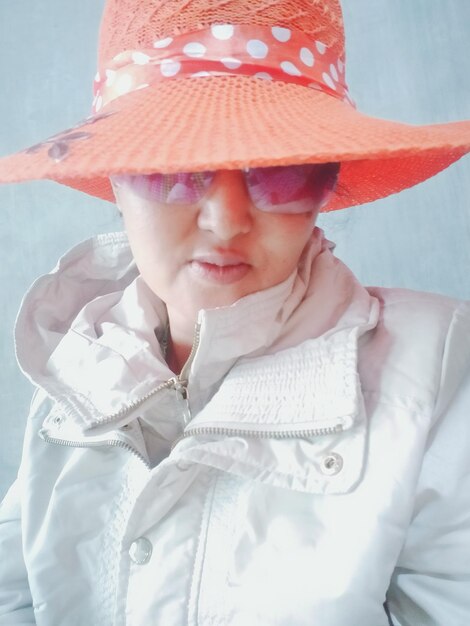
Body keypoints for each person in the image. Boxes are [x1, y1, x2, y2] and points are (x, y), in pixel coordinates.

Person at [0, 0, 469, 624]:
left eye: (279, 172)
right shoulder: (75, 359)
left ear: (326, 184)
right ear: (113, 177)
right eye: (173, 165)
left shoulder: (438, 369)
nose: (225, 220)